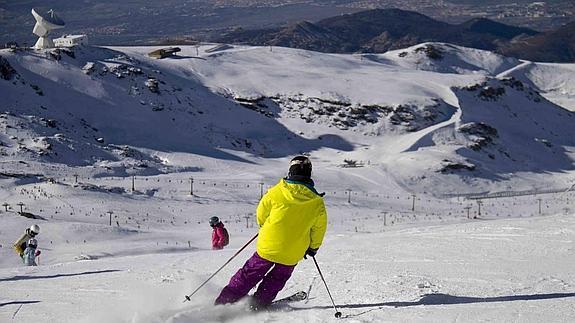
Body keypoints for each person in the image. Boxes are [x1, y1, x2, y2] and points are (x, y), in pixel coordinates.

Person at [214, 155, 327, 309]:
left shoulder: (276, 191)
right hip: (292, 252)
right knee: (277, 279)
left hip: (268, 246)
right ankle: (258, 305)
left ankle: (224, 302)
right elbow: (319, 229)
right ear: (309, 173)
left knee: (249, 274)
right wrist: (313, 247)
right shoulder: (316, 202)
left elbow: (261, 214)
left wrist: (265, 228)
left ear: (290, 171)